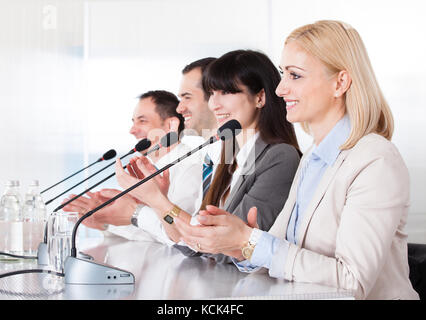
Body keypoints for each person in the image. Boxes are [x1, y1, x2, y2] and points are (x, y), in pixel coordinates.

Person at [172, 20, 420, 300]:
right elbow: (278, 251)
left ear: (340, 82)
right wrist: (238, 246)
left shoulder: (375, 160)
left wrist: (252, 242)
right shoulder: (313, 157)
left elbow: (352, 282)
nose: (280, 89)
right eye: (282, 74)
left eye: (295, 75)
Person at [114, 49, 302, 263]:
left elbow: (222, 249)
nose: (214, 104)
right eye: (212, 93)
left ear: (260, 97)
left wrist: (156, 200)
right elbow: (192, 246)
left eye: (227, 92)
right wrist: (159, 201)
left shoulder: (279, 158)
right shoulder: (230, 158)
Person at [61, 90, 203, 244]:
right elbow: (152, 231)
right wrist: (107, 220)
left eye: (142, 121)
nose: (132, 131)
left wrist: (129, 213)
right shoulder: (147, 168)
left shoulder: (190, 167)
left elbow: (177, 238)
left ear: (171, 125)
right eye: (133, 122)